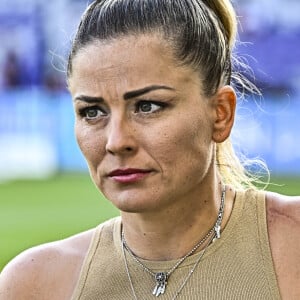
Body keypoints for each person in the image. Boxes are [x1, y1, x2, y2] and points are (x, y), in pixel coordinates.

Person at [0, 0, 299, 299]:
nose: (116, 141)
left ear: (221, 114)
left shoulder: (292, 243)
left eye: (148, 106)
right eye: (92, 112)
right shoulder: (32, 285)